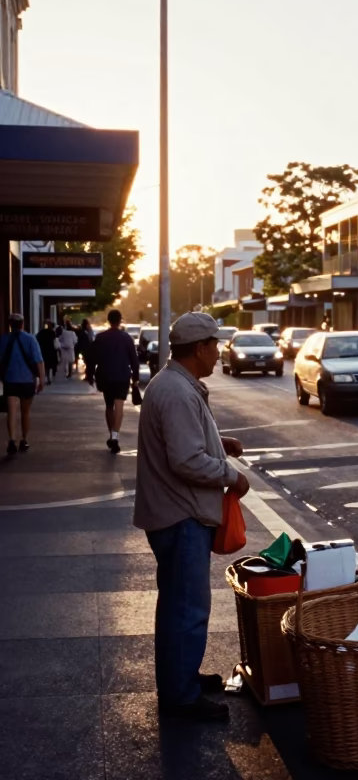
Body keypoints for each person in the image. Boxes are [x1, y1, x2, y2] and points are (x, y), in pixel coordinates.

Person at [133, 311, 250, 723]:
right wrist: (231, 478)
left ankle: (181, 677)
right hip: (180, 515)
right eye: (215, 345)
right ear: (199, 348)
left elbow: (186, 438)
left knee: (177, 606)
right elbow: (186, 459)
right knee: (187, 608)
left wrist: (221, 442)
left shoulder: (172, 384)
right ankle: (181, 696)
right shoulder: (178, 392)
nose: (219, 352)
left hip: (171, 512)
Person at [86, 308, 140, 453]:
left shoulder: (100, 337)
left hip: (105, 375)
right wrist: (135, 379)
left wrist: (90, 375)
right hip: (122, 376)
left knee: (109, 405)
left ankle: (112, 434)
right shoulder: (127, 338)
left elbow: (92, 358)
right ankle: (115, 436)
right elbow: (134, 361)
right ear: (120, 320)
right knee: (119, 406)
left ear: (108, 320)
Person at [0, 312, 45, 456]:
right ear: (22, 324)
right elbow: (38, 361)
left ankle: (12, 439)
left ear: (10, 325)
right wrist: (42, 380)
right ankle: (24, 439)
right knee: (25, 411)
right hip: (27, 380)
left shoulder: (3, 339)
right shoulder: (31, 339)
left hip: (10, 379)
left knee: (11, 411)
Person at [36, 319, 59, 385]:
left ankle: (45, 378)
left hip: (44, 350)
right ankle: (48, 378)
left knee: (45, 365)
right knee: (49, 366)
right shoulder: (52, 332)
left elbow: (38, 338)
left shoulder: (42, 332)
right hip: (51, 351)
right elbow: (55, 341)